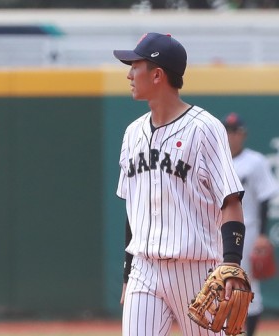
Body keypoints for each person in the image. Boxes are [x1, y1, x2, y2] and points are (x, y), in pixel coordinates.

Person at [113, 33, 248, 335]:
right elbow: (134, 211)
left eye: (135, 66)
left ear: (157, 74)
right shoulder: (132, 133)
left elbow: (231, 200)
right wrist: (127, 274)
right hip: (144, 270)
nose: (129, 74)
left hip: (197, 270)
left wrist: (232, 264)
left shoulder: (204, 128)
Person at [223, 112, 279, 336]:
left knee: (248, 285)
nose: (230, 136)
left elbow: (266, 197)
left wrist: (263, 235)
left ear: (242, 134)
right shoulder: (216, 160)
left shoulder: (255, 161)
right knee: (218, 284)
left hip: (249, 230)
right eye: (227, 131)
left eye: (234, 131)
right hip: (216, 231)